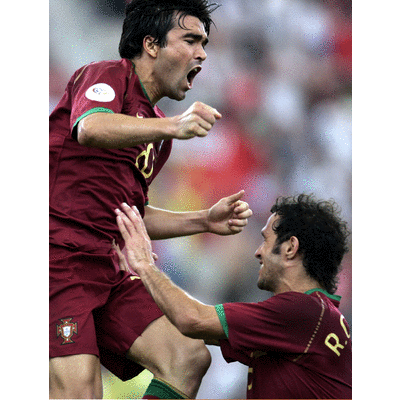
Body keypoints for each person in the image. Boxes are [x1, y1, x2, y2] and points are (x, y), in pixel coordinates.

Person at [49, 1, 254, 398]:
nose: (202, 54)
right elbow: (89, 127)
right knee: (81, 392)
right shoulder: (107, 76)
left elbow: (130, 215)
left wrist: (204, 220)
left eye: (205, 44)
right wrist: (173, 125)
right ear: (151, 45)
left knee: (188, 358)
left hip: (107, 268)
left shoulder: (158, 135)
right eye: (190, 40)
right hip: (59, 260)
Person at [114, 194, 352, 399]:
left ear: (290, 248)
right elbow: (192, 326)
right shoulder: (313, 316)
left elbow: (192, 319)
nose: (257, 252)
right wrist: (137, 283)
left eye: (265, 240)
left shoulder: (302, 311)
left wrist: (145, 265)